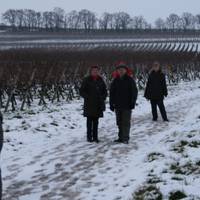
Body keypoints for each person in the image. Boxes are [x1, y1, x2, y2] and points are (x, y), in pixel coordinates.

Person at [110, 63, 138, 144]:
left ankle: (125, 138)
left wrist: (133, 102)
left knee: (125, 122)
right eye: (119, 69)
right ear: (117, 71)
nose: (121, 71)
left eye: (122, 69)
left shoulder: (130, 80)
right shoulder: (115, 80)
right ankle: (120, 137)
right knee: (119, 122)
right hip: (118, 105)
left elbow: (134, 92)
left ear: (126, 70)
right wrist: (111, 104)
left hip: (127, 105)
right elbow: (112, 93)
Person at [80, 66, 107, 143]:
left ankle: (95, 137)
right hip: (89, 104)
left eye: (96, 71)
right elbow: (81, 91)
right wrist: (87, 97)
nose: (95, 72)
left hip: (98, 104)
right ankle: (89, 137)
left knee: (96, 122)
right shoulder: (86, 80)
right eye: (93, 71)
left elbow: (105, 91)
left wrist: (103, 97)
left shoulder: (101, 80)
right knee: (89, 121)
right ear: (91, 71)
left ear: (98, 72)